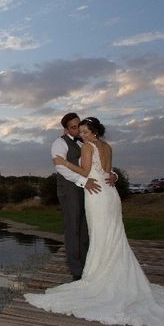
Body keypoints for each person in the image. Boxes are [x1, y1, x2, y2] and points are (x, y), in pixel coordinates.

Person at [26, 117, 164, 326]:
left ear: (93, 132)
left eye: (84, 130)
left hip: (96, 194)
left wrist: (66, 163)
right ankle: (94, 271)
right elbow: (107, 170)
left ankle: (98, 276)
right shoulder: (100, 145)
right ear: (66, 128)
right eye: (77, 130)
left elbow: (85, 171)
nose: (81, 133)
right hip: (109, 194)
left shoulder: (88, 146)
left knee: (99, 235)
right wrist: (112, 175)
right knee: (111, 235)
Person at [51, 112, 114, 281]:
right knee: (73, 229)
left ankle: (87, 262)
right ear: (65, 129)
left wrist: (114, 175)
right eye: (73, 127)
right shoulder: (59, 143)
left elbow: (98, 165)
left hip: (88, 190)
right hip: (70, 189)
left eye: (78, 125)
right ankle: (76, 270)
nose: (78, 129)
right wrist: (82, 181)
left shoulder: (85, 143)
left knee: (85, 229)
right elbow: (61, 168)